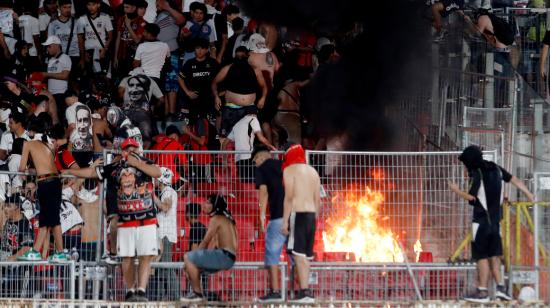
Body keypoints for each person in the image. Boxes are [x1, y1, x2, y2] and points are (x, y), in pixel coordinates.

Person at [63, 137, 162, 302]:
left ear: (138, 149)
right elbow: (92, 173)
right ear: (122, 151)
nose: (130, 151)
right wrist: (69, 171)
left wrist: (137, 164)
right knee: (127, 257)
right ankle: (131, 291)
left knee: (145, 256)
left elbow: (158, 173)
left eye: (133, 148)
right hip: (126, 220)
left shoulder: (146, 162)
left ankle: (141, 291)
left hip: (147, 219)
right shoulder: (116, 167)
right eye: (127, 149)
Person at [449, 145, 535, 303]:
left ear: (470, 162)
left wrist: (455, 190)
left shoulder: (477, 173)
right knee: (494, 256)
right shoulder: (496, 168)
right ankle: (501, 289)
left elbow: (472, 198)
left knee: (481, 257)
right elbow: (514, 179)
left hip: (481, 222)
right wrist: (529, 194)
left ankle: (482, 292)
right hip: (496, 223)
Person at [17, 132, 67, 262]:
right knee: (44, 220)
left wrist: (24, 171)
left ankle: (61, 253)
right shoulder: (47, 144)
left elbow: (21, 168)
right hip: (54, 182)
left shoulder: (28, 143)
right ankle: (35, 251)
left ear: (31, 132)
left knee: (53, 220)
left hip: (46, 183)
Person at [281, 144, 320, 304]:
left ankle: (304, 291)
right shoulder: (313, 172)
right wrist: (315, 219)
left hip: (298, 214)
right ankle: (306, 291)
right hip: (311, 216)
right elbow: (317, 199)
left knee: (298, 256)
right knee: (305, 256)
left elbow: (289, 198)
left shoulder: (289, 171)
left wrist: (285, 221)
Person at [182, 194, 237, 302]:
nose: (204, 204)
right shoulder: (227, 219)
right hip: (229, 257)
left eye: (208, 202)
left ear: (214, 206)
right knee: (192, 268)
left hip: (224, 256)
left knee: (188, 258)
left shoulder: (216, 219)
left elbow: (205, 242)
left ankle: (197, 294)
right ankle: (198, 294)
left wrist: (192, 257)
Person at [252, 145, 286, 302]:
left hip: (278, 217)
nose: (255, 163)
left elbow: (263, 192)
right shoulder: (283, 165)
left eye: (255, 160)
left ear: (260, 157)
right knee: (295, 255)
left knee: (272, 255)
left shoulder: (261, 169)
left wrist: (261, 216)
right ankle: (299, 292)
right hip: (294, 216)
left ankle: (275, 291)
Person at [212, 46, 268, 138]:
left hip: (249, 109)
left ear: (247, 56)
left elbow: (264, 86)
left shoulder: (255, 69)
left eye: (242, 55)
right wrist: (216, 97)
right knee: (225, 137)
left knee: (248, 138)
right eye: (238, 55)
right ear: (234, 56)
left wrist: (263, 98)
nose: (240, 57)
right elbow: (214, 83)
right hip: (231, 109)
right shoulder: (228, 68)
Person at [153, 167, 180, 299]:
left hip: (166, 236)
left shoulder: (169, 191)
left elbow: (165, 207)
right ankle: (164, 297)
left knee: (166, 268)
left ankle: (176, 297)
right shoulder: (166, 192)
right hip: (163, 235)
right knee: (162, 269)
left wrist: (151, 195)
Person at [178, 38, 219, 121]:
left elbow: (219, 79)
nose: (200, 51)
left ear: (207, 50)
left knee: (209, 125)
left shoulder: (213, 63)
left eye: (203, 48)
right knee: (193, 123)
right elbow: (180, 78)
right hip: (194, 99)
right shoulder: (189, 63)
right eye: (197, 48)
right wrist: (187, 92)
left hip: (209, 99)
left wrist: (217, 96)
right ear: (194, 49)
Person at [227, 112, 275, 181]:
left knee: (244, 182)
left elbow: (224, 143)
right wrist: (271, 146)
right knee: (253, 181)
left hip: (238, 159)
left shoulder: (237, 124)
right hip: (248, 156)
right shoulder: (253, 119)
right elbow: (261, 138)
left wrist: (225, 159)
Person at [77, 0, 114, 74]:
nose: (91, 7)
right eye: (89, 5)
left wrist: (104, 49)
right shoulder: (82, 18)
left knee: (103, 78)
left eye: (93, 5)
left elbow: (110, 36)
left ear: (98, 5)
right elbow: (80, 39)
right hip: (88, 52)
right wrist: (83, 55)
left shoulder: (105, 16)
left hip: (101, 51)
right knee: (90, 78)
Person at [42, 35, 72, 124]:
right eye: (47, 47)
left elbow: (65, 75)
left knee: (61, 119)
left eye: (49, 46)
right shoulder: (50, 60)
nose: (48, 49)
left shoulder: (65, 58)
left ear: (56, 45)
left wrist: (47, 74)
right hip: (51, 95)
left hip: (61, 94)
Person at [113, 0, 146, 80]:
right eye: (124, 7)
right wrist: (115, 57)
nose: (125, 9)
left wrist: (128, 25)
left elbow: (137, 40)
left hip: (133, 57)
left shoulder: (141, 21)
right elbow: (118, 38)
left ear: (134, 8)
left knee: (131, 80)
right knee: (121, 79)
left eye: (127, 7)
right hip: (121, 56)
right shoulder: (121, 19)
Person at [133, 22, 171, 87]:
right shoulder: (165, 45)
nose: (143, 33)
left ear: (149, 34)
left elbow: (135, 64)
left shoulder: (141, 46)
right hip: (159, 79)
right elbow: (168, 60)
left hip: (144, 78)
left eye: (144, 32)